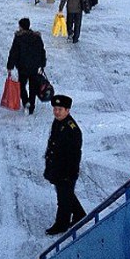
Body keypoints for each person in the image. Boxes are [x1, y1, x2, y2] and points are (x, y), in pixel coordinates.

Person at [44, 94, 86, 235]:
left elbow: (74, 156)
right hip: (57, 168)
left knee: (63, 200)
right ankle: (79, 213)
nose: (56, 112)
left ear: (67, 110)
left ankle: (61, 225)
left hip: (66, 171)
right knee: (65, 194)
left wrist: (69, 174)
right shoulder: (58, 122)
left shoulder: (72, 130)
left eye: (60, 109)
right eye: (55, 109)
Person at [6, 17, 47, 115]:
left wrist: (10, 65)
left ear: (21, 26)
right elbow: (42, 51)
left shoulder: (19, 38)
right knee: (33, 87)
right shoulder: (37, 37)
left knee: (21, 85)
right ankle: (32, 106)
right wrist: (42, 64)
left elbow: (14, 53)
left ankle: (25, 101)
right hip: (34, 67)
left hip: (22, 66)